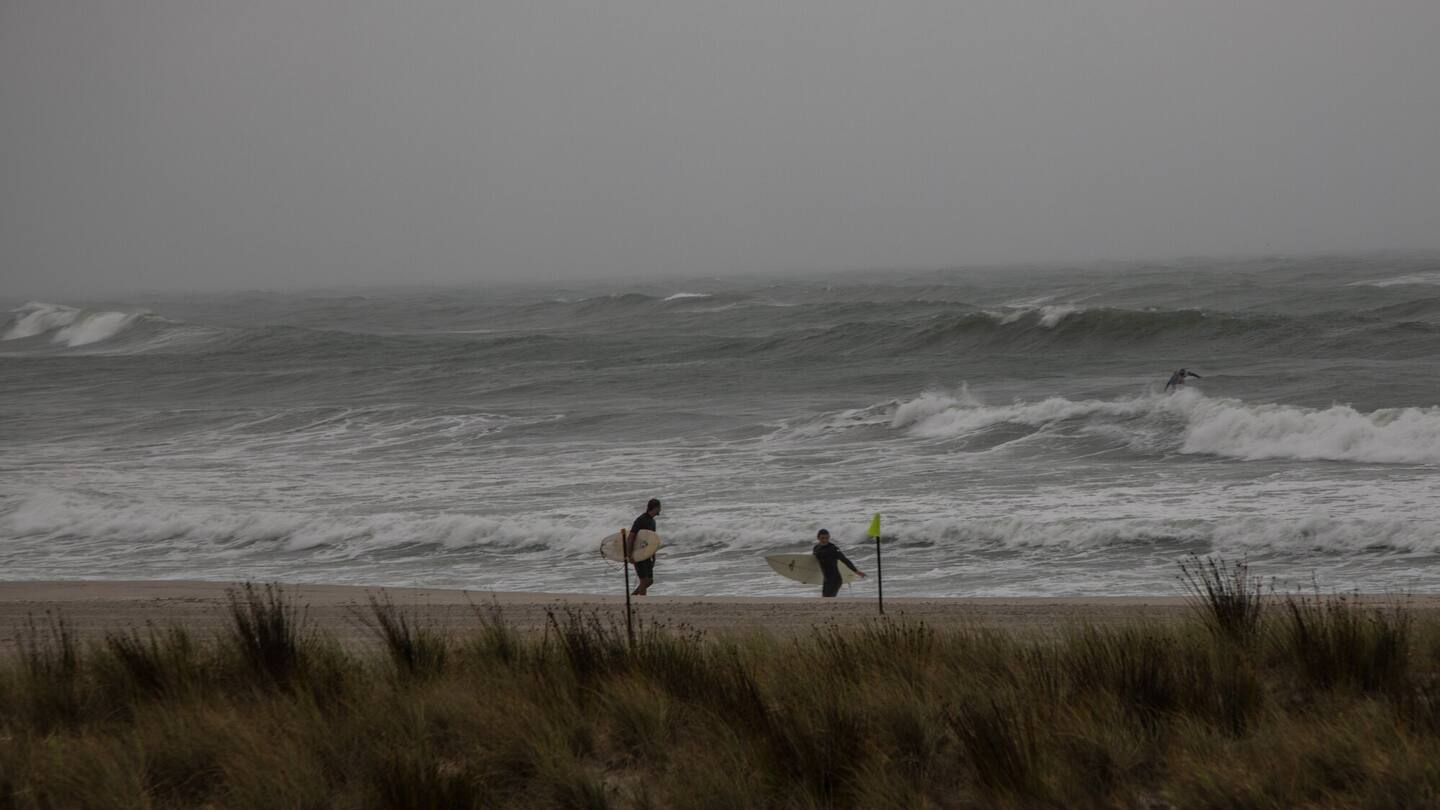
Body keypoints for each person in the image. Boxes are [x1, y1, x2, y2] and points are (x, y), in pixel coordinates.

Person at [812, 528, 864, 598]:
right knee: (825, 598)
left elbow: (845, 560)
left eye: (827, 538)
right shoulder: (816, 548)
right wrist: (804, 577)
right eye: (822, 538)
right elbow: (814, 563)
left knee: (828, 599)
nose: (825, 540)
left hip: (835, 579)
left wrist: (856, 571)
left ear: (829, 537)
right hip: (826, 579)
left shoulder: (833, 548)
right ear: (818, 538)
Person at [627, 498, 662, 596]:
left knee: (649, 581)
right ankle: (642, 600)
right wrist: (629, 554)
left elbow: (652, 540)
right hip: (638, 553)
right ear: (655, 508)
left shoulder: (652, 522)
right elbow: (631, 537)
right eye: (660, 507)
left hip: (647, 554)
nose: (661, 510)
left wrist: (653, 556)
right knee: (644, 580)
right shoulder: (641, 520)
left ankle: (633, 596)